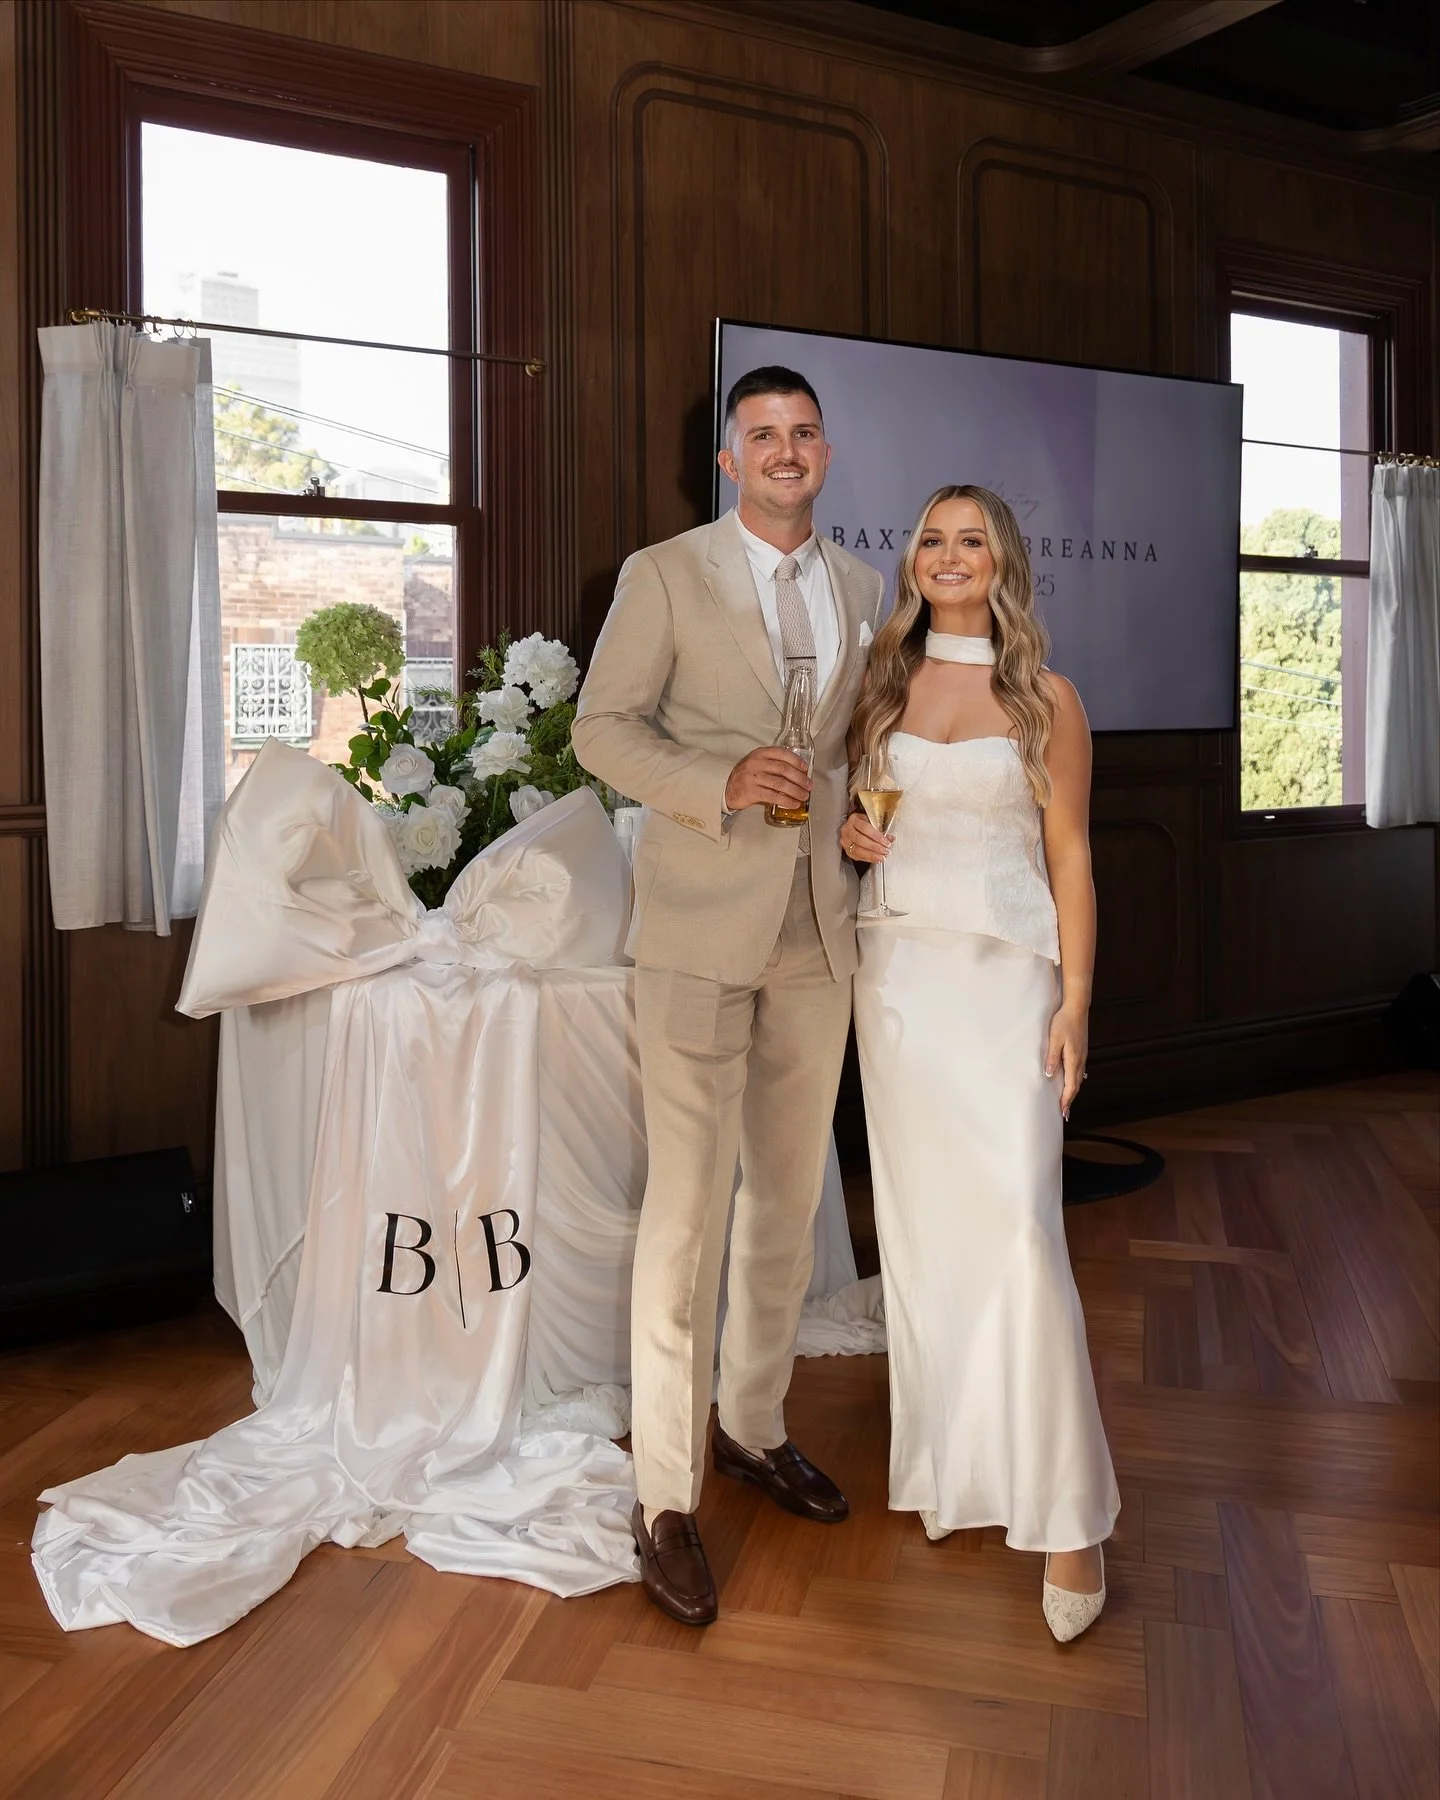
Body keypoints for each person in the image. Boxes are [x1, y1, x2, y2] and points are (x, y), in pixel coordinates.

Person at [572, 367, 886, 1625]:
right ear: (729, 459)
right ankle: (664, 1496)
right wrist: (718, 782)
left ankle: (752, 1425)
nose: (786, 450)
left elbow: (854, 748)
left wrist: (858, 822)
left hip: (819, 930)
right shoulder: (663, 575)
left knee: (790, 1203)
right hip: (699, 934)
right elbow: (601, 729)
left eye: (805, 432)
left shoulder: (863, 586)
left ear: (825, 451)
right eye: (763, 434)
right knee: (686, 1219)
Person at [841, 484, 1119, 1642]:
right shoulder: (879, 683)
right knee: (923, 1237)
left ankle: (1071, 1517)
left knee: (1018, 1231)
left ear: (1002, 563)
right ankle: (956, 1465)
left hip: (1006, 982)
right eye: (932, 540)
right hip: (897, 981)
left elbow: (1071, 856)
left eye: (972, 541)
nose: (948, 557)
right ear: (913, 560)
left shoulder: (1048, 697)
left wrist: (1076, 1004)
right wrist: (852, 832)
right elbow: (858, 822)